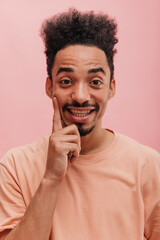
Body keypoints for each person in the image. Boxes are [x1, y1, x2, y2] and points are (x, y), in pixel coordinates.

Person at [0, 8, 160, 240]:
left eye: (95, 81)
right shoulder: (15, 166)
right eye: (66, 81)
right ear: (49, 86)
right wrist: (51, 178)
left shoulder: (149, 166)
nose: (81, 96)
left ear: (111, 88)